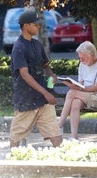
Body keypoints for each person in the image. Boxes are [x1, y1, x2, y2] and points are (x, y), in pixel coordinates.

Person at [9, 10, 62, 148]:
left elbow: (45, 65)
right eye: (35, 24)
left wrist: (51, 76)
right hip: (26, 100)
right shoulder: (19, 47)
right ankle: (12, 162)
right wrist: (46, 93)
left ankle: (63, 163)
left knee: (55, 134)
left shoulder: (37, 45)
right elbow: (25, 75)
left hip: (43, 101)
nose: (38, 26)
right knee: (16, 136)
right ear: (26, 26)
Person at [58, 41, 97, 140]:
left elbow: (96, 88)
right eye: (79, 58)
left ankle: (58, 126)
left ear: (92, 55)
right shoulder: (82, 64)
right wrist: (74, 85)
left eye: (83, 58)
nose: (81, 60)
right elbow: (81, 83)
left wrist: (78, 89)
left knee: (71, 93)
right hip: (86, 95)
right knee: (75, 102)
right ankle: (74, 138)